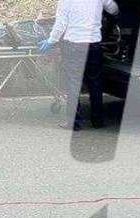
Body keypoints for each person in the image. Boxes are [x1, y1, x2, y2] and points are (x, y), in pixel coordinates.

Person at [39, 0, 118, 130]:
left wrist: (51, 40)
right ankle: (98, 121)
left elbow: (61, 23)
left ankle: (74, 122)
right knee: (95, 83)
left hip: (74, 44)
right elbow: (112, 8)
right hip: (93, 44)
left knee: (73, 84)